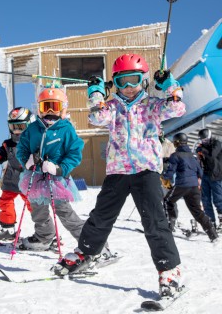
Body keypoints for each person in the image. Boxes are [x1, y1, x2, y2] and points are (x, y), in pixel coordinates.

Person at [54, 54, 186, 298]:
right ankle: (86, 252)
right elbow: (96, 118)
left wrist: (169, 84)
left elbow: (177, 107)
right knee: (100, 217)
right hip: (117, 172)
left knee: (154, 222)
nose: (128, 87)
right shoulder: (112, 107)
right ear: (114, 82)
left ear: (144, 80)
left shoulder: (152, 105)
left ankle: (170, 271)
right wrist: (96, 93)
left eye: (134, 80)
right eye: (122, 81)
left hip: (146, 171)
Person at [16, 84, 87, 251]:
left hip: (57, 179)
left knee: (65, 213)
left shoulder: (66, 129)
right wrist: (28, 160)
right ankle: (44, 237)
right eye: (45, 106)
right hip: (35, 177)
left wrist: (59, 168)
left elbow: (74, 153)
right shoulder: (32, 129)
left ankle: (89, 242)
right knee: (38, 211)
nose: (49, 111)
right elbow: (22, 149)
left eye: (54, 107)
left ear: (62, 109)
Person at [0, 107, 35, 241]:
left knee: (35, 205)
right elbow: (0, 156)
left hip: (28, 180)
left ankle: (45, 230)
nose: (16, 131)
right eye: (13, 127)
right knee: (5, 202)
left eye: (20, 127)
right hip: (11, 180)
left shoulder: (34, 143)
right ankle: (7, 228)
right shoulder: (8, 144)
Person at [163, 133, 218, 241]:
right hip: (194, 187)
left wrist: (163, 177)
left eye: (174, 142)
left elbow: (170, 172)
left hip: (182, 185)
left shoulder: (175, 155)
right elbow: (200, 173)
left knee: (167, 201)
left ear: (177, 142)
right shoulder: (192, 156)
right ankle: (213, 234)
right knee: (197, 211)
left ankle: (170, 225)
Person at [196, 128, 222, 231]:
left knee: (218, 199)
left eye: (206, 140)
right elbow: (201, 160)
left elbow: (212, 155)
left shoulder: (217, 143)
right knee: (205, 200)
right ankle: (211, 223)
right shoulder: (202, 146)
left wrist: (202, 149)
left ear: (210, 137)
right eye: (202, 140)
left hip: (216, 176)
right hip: (206, 175)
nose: (204, 142)